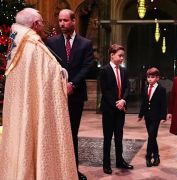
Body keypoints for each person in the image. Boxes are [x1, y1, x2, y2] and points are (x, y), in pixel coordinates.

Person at [0, 8, 77, 179]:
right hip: (32, 105)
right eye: (41, 21)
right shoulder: (33, 46)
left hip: (19, 106)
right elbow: (49, 74)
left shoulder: (16, 41)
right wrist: (62, 74)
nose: (43, 25)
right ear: (35, 24)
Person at [46, 9, 93, 180]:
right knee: (56, 132)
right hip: (56, 95)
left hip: (76, 95)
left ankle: (73, 170)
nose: (62, 24)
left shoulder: (85, 43)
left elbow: (87, 66)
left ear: (73, 21)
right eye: (60, 21)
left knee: (72, 133)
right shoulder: (51, 42)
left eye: (65, 20)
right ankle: (56, 168)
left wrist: (73, 83)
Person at [100, 44, 133, 174]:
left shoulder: (123, 71)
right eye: (120, 56)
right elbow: (105, 91)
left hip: (120, 109)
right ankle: (106, 163)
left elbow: (126, 88)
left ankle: (120, 161)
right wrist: (116, 103)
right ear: (112, 55)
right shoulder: (104, 70)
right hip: (109, 109)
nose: (121, 58)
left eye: (123, 56)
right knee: (108, 137)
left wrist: (123, 101)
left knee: (119, 136)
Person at [138, 67, 167, 167]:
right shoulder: (145, 88)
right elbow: (144, 103)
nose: (150, 79)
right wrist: (140, 115)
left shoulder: (161, 90)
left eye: (152, 77)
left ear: (157, 78)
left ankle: (148, 156)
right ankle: (157, 155)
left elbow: (164, 104)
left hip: (156, 117)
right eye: (148, 77)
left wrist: (163, 116)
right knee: (152, 137)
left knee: (151, 136)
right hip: (147, 116)